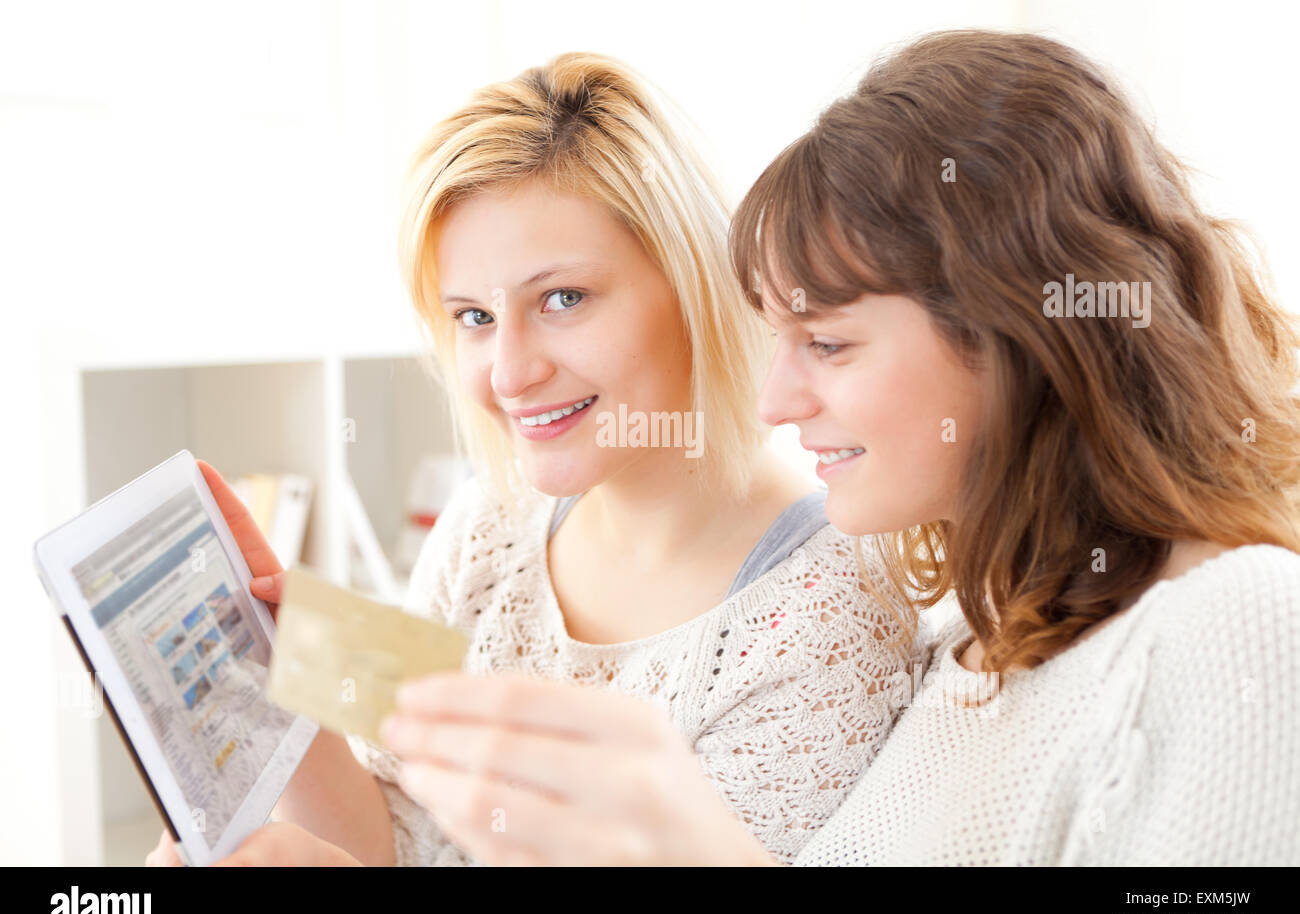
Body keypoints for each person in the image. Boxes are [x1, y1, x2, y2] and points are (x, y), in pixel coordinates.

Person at [367, 30, 1300, 866]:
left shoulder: (1239, 623)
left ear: (1019, 339)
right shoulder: (974, 639)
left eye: (829, 343)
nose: (775, 398)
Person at [147, 52, 920, 868]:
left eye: (563, 300)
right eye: (475, 316)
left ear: (692, 284)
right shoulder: (489, 526)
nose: (510, 374)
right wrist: (283, 673)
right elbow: (403, 839)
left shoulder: (831, 616)